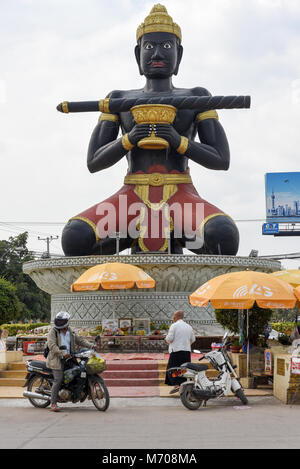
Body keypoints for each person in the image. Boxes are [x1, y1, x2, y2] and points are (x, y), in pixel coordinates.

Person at [62, 4, 239, 257]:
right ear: (138, 55)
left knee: (223, 234)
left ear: (179, 54)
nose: (157, 53)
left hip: (181, 198)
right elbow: (94, 162)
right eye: (149, 46)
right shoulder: (119, 100)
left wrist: (178, 141)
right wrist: (130, 139)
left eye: (166, 47)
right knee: (75, 236)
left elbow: (221, 159)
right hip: (129, 199)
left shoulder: (196, 97)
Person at [46, 311, 93, 412]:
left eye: (62, 321)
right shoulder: (53, 331)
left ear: (67, 322)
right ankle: (53, 403)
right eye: (59, 321)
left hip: (70, 358)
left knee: (78, 373)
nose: (60, 323)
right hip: (57, 359)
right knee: (58, 379)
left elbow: (79, 340)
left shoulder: (70, 331)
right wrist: (62, 353)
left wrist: (90, 345)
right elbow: (52, 346)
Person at [164, 310, 195, 394]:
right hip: (186, 352)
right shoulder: (189, 326)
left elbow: (169, 338)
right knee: (184, 369)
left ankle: (177, 385)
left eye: (174, 316)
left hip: (176, 351)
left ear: (176, 317)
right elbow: (193, 339)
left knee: (172, 369)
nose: (173, 318)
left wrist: (166, 340)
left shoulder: (174, 326)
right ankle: (183, 385)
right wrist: (186, 344)